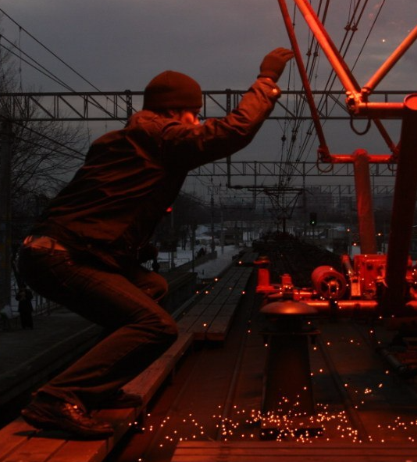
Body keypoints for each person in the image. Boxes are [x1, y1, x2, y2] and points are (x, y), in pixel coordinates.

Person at [17, 47, 293, 438]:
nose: (197, 121)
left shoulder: (134, 141)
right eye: (195, 114)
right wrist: (266, 80)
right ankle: (58, 398)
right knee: (155, 326)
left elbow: (107, 208)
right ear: (178, 111)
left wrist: (131, 248)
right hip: (61, 256)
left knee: (151, 287)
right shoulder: (161, 136)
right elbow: (233, 132)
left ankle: (98, 388)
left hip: (65, 251)